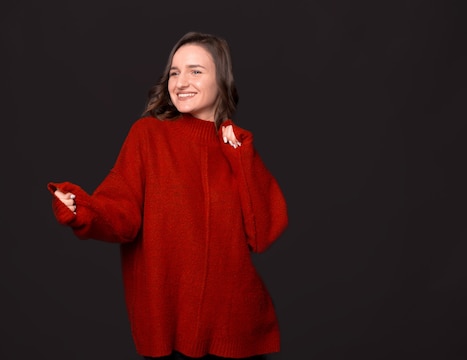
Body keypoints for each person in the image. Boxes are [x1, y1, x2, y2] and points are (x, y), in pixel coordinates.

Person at [48, 31, 288, 360]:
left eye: (195, 71)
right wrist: (83, 211)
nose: (181, 81)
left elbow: (262, 233)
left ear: (222, 80)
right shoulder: (147, 136)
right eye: (175, 72)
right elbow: (122, 214)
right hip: (170, 330)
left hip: (236, 330)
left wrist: (241, 158)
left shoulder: (236, 146)